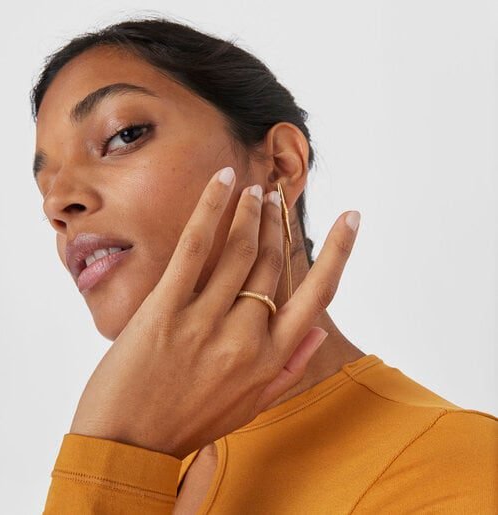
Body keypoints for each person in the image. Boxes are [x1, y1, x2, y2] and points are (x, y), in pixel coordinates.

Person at [32, 16, 497, 514]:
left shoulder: (457, 466)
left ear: (280, 166)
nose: (57, 203)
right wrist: (115, 455)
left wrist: (108, 457)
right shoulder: (150, 462)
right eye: (45, 185)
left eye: (124, 135)